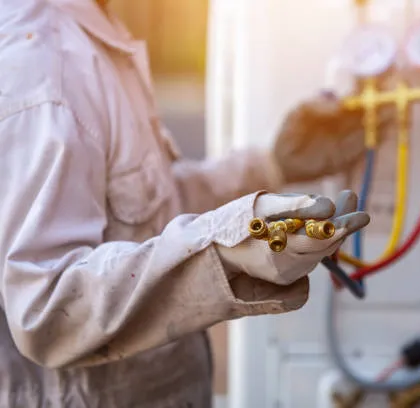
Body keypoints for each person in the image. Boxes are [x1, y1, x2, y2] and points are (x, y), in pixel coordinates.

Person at [0, 0, 383, 406]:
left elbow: (140, 212)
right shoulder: (42, 65)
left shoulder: (90, 36)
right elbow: (45, 311)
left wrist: (270, 166)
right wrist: (221, 251)